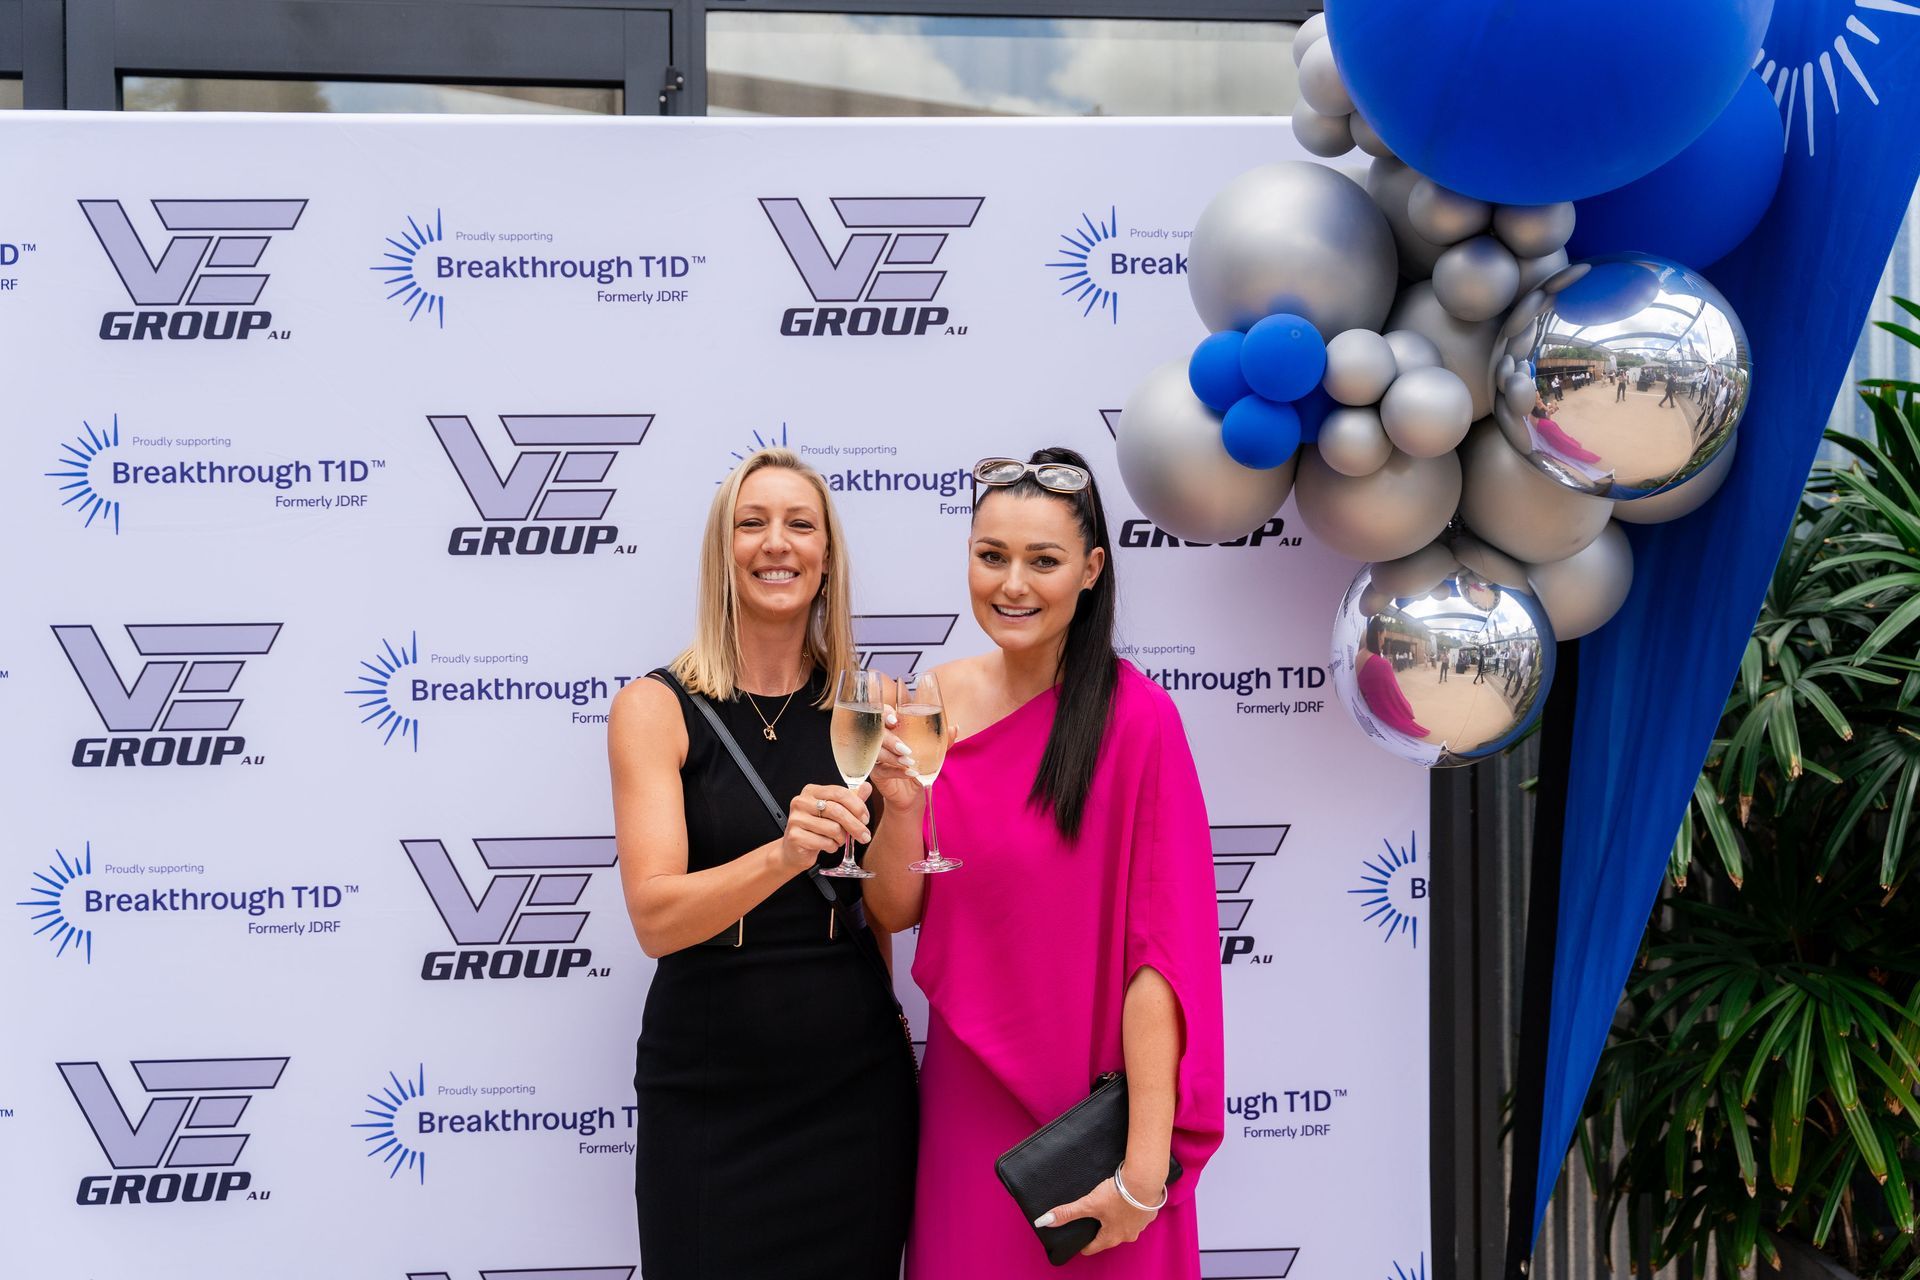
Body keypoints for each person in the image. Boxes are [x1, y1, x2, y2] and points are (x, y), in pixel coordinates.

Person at [863, 449, 1225, 1279]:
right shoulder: (935, 698)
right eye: (991, 557)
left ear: (1092, 570)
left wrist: (1142, 1172)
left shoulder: (1139, 721)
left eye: (1044, 561)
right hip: (970, 1107)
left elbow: (1158, 963)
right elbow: (893, 911)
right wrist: (904, 808)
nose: (1012, 584)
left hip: (1096, 1121)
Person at [609, 447, 917, 1280]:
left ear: (826, 556)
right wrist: (784, 852)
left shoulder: (873, 704)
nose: (776, 544)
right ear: (724, 552)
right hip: (710, 1094)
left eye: (799, 524)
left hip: (853, 1091)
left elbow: (892, 911)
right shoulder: (656, 707)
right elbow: (655, 918)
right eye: (753, 523)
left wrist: (909, 806)